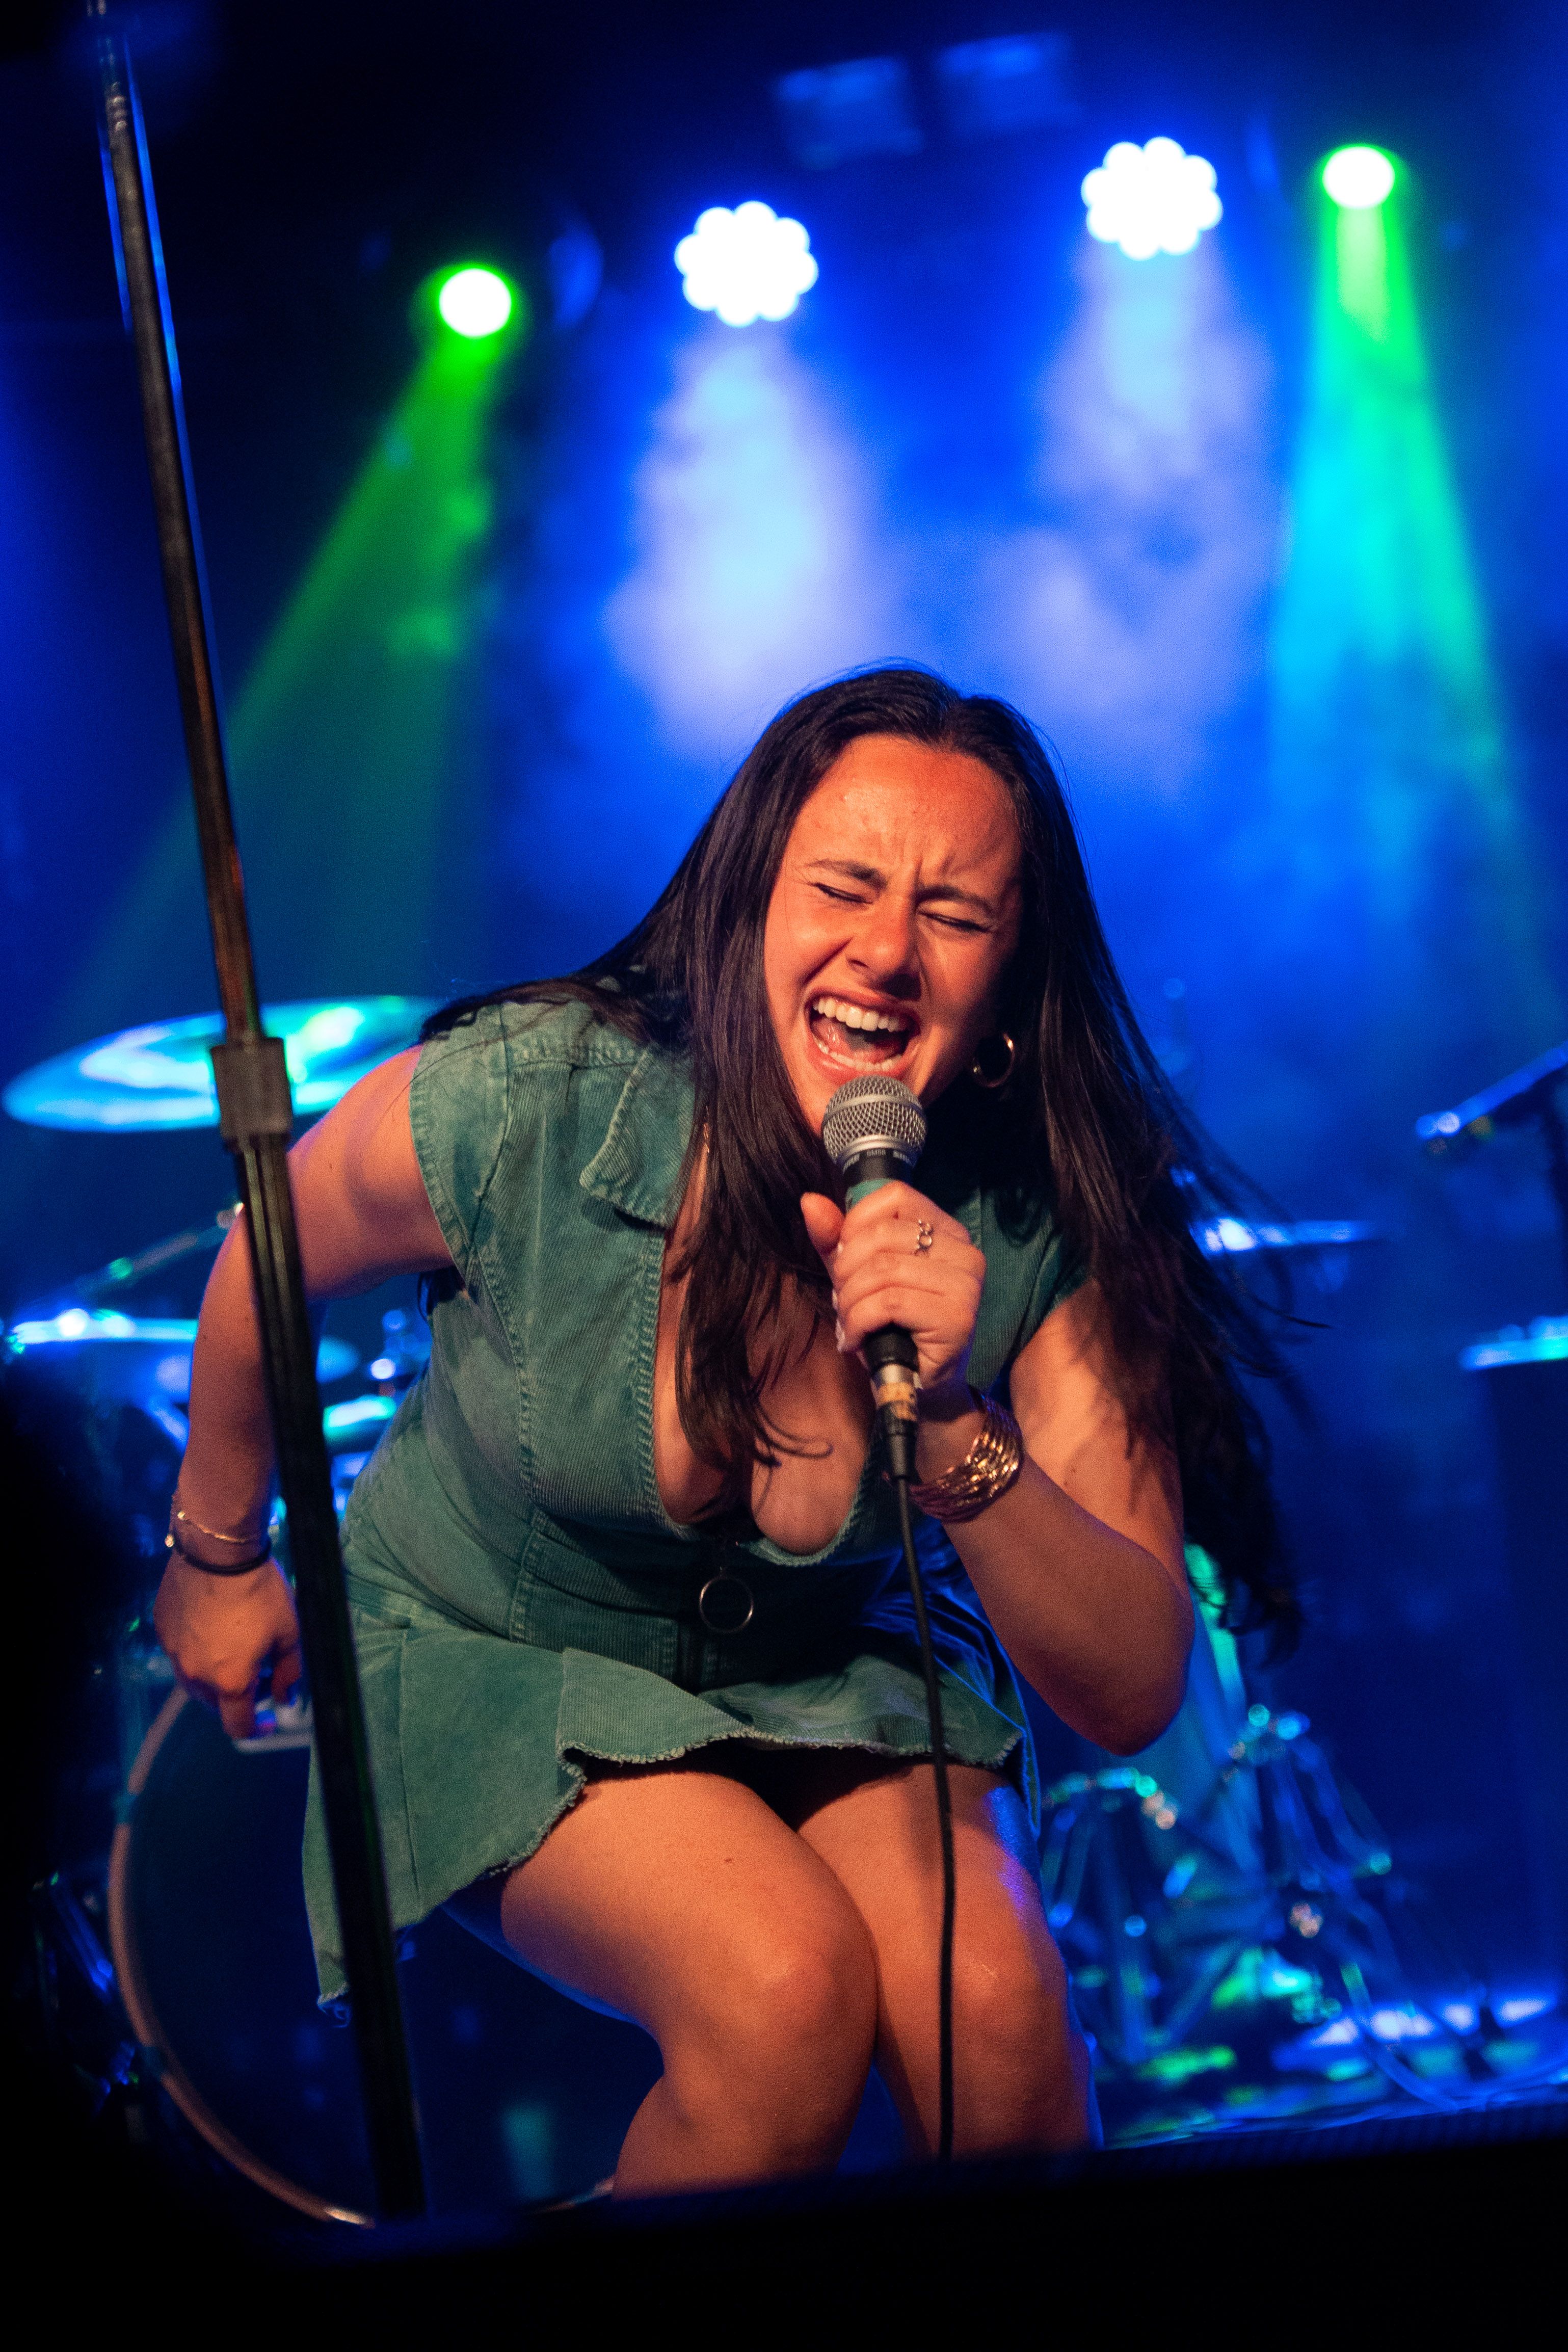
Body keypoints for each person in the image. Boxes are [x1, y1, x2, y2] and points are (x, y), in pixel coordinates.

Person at [154, 669, 1292, 2195]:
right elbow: (266, 1255)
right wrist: (218, 1557)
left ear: (1012, 980)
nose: (886, 951)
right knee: (782, 1995)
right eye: (845, 887)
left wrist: (953, 1430)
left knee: (1001, 2026)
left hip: (834, 1667)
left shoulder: (1047, 1212)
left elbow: (1137, 1681)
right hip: (492, 1642)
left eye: (955, 914)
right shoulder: (538, 1098)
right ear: (750, 902)